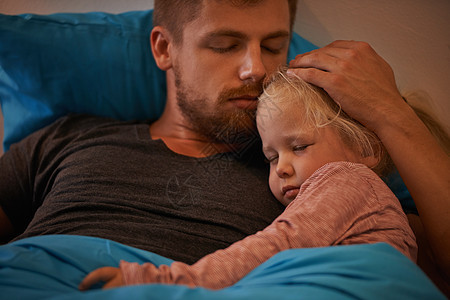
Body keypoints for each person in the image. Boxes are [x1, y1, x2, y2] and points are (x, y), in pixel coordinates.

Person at [0, 0, 449, 289]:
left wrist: (391, 114)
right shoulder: (69, 137)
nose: (255, 69)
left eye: (273, 46)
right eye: (226, 44)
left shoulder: (312, 166)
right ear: (164, 49)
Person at [79, 70, 418, 290]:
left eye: (299, 147)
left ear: (365, 147)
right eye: (271, 158)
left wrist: (164, 281)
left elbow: (277, 246)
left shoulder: (349, 180)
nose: (281, 168)